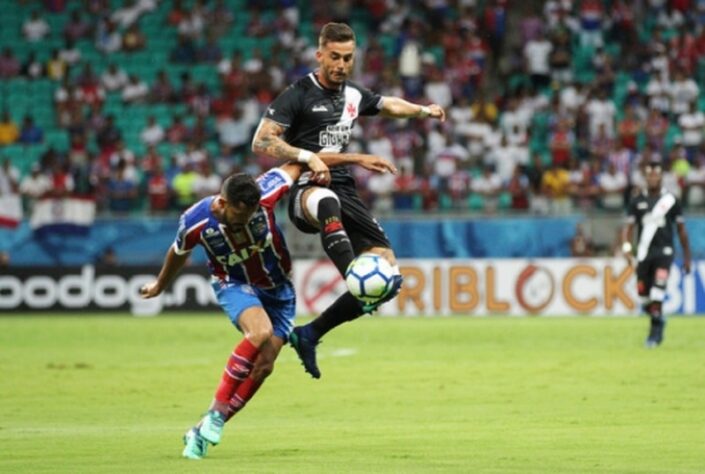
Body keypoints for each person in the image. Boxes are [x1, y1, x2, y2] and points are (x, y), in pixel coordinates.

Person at [140, 155, 392, 459]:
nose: (243, 224)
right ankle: (216, 414)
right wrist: (159, 285)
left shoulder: (269, 188)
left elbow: (302, 161)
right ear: (222, 204)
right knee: (260, 332)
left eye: (249, 218)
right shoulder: (196, 221)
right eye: (237, 219)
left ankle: (201, 432)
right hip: (233, 283)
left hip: (279, 289)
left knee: (264, 366)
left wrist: (351, 159)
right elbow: (178, 252)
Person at [251, 22, 446, 379]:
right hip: (306, 187)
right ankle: (352, 274)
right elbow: (262, 142)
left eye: (348, 58)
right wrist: (311, 158)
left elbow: (388, 105)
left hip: (344, 188)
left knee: (388, 276)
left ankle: (310, 333)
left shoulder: (353, 95)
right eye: (335, 57)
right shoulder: (297, 94)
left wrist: (422, 110)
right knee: (327, 202)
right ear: (320, 55)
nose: (341, 65)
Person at [621, 160, 691, 348]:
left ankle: (655, 334)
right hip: (644, 253)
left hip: (664, 252)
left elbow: (681, 230)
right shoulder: (637, 201)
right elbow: (627, 229)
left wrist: (687, 257)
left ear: (661, 177)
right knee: (644, 295)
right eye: (650, 175)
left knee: (657, 291)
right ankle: (658, 317)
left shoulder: (671, 200)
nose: (653, 178)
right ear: (646, 178)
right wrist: (627, 250)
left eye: (656, 175)